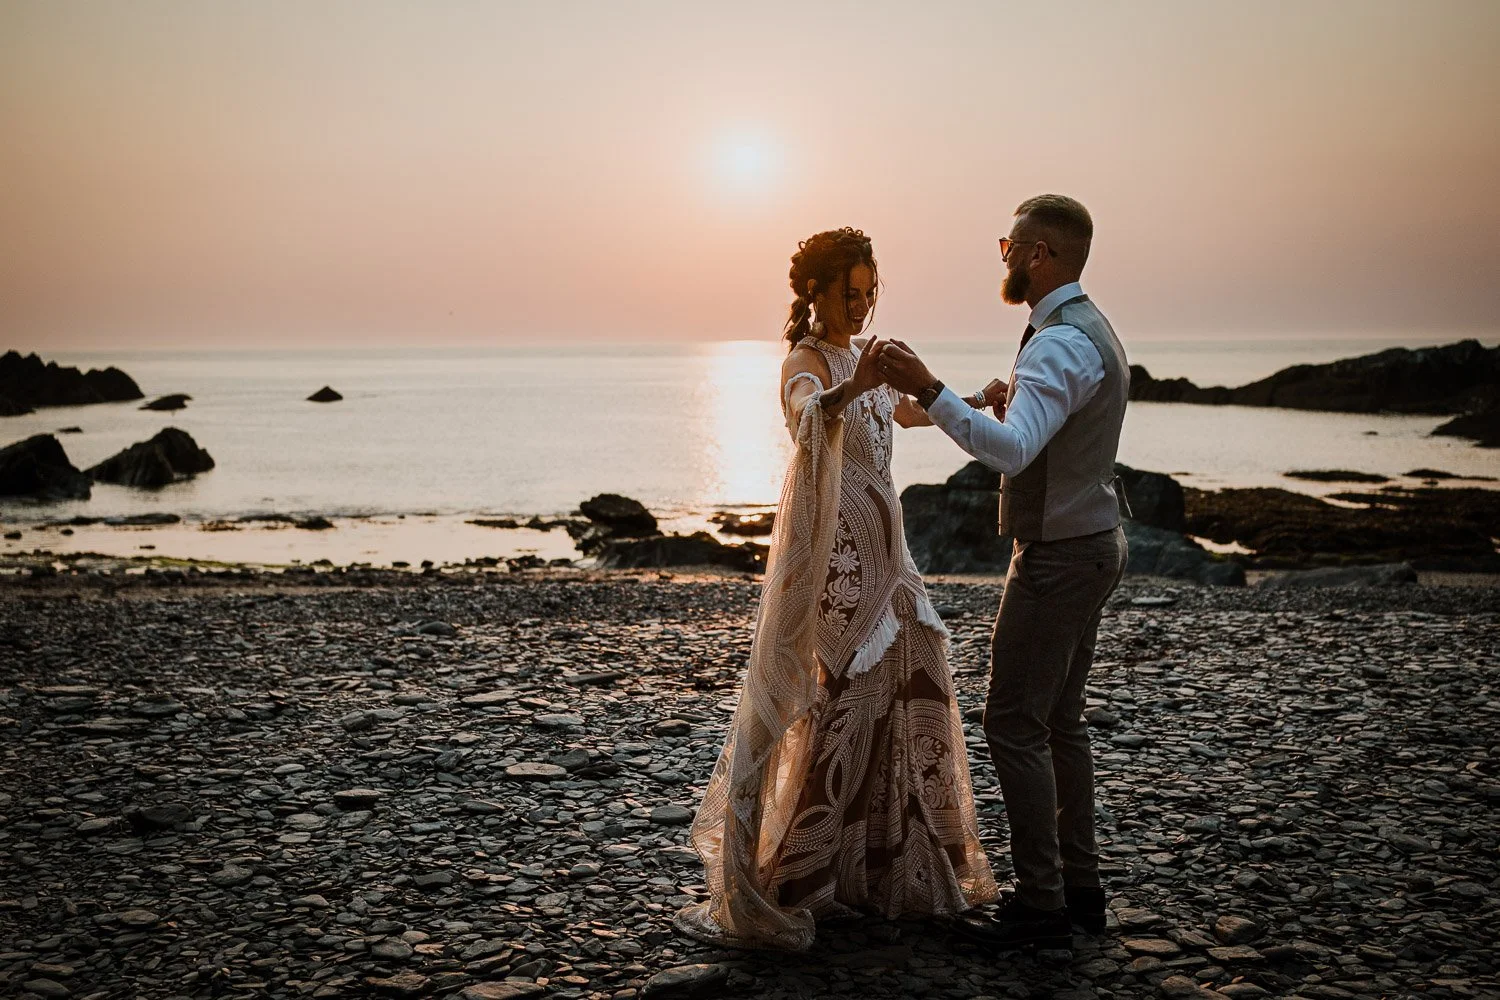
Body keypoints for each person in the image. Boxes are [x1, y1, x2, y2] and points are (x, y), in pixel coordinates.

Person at [674, 227, 998, 951]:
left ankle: (897, 872)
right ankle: (808, 875)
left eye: (868, 293)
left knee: (919, 687)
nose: (860, 305)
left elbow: (903, 414)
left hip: (895, 561)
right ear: (814, 291)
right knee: (848, 709)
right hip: (840, 570)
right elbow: (809, 414)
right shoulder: (807, 360)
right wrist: (858, 383)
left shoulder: (861, 357)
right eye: (849, 294)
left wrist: (974, 397)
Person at [878, 195, 1130, 950]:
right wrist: (970, 399)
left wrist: (930, 387)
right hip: (1094, 540)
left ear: (1040, 254)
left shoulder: (1058, 344)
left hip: (1059, 556)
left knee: (1014, 722)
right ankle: (1080, 891)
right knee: (1059, 720)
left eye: (1009, 245)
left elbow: (1013, 451)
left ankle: (1043, 906)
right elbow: (1031, 433)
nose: (1003, 256)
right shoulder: (1090, 330)